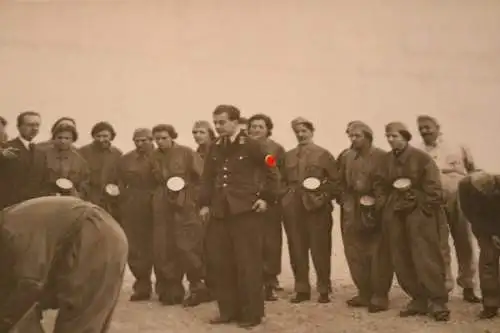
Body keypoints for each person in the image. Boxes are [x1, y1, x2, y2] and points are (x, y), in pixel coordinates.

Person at [199, 105, 280, 328]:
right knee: (221, 263)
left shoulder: (253, 144)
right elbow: (207, 176)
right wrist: (204, 203)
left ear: (235, 122)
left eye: (222, 122)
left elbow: (272, 168)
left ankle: (252, 314)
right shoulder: (215, 145)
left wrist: (266, 198)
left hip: (246, 211)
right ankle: (228, 311)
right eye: (215, 123)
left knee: (248, 263)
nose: (217, 126)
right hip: (220, 212)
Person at [0, 196, 128, 333]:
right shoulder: (9, 223)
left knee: (78, 324)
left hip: (93, 237)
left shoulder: (11, 233)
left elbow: (29, 284)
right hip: (87, 234)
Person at [373, 122, 450, 321]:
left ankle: (437, 301)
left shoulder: (421, 159)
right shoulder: (385, 160)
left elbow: (434, 189)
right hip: (394, 214)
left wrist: (417, 200)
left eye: (395, 136)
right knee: (401, 256)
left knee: (426, 256)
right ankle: (418, 299)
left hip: (419, 214)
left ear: (405, 137)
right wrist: (384, 203)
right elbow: (379, 185)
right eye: (388, 136)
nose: (390, 140)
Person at [416, 115, 480, 303]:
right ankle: (443, 286)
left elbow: (472, 170)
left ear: (437, 127)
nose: (425, 131)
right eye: (421, 128)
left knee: (464, 241)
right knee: (439, 244)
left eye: (428, 127)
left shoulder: (457, 146)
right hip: (434, 200)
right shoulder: (419, 151)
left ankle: (468, 285)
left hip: (458, 197)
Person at [281, 117, 340, 304]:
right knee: (296, 249)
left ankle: (324, 288)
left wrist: (322, 198)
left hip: (317, 208)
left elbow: (335, 182)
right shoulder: (288, 156)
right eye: (297, 131)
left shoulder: (324, 155)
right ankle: (302, 289)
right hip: (293, 208)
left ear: (312, 132)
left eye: (304, 130)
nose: (300, 134)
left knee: (320, 249)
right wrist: (285, 198)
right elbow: (279, 179)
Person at [150, 124, 208, 307]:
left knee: (188, 246)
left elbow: (203, 178)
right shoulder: (154, 157)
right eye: (157, 138)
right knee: (165, 247)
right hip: (163, 206)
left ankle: (197, 287)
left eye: (164, 137)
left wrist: (194, 200)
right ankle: (173, 289)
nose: (160, 141)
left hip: (185, 206)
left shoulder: (186, 153)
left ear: (172, 137)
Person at [337, 121, 393, 312]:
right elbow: (341, 182)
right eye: (350, 136)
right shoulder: (346, 156)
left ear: (368, 136)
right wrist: (344, 200)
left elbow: (387, 184)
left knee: (377, 252)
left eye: (357, 136)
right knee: (354, 251)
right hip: (351, 209)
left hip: (374, 208)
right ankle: (364, 292)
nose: (353, 139)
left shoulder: (382, 156)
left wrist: (378, 205)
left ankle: (380, 295)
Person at [247, 113, 286, 300]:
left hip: (268, 202)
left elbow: (276, 174)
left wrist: (270, 197)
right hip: (247, 201)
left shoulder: (273, 150)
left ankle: (270, 282)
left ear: (267, 129)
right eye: (253, 126)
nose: (255, 130)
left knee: (270, 243)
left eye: (260, 127)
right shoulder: (242, 147)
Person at [117, 128, 156, 301]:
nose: (140, 144)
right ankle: (142, 285)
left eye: (144, 140)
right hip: (133, 205)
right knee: (136, 246)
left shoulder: (160, 156)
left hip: (157, 203)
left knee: (160, 245)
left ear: (151, 140)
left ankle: (166, 285)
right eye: (136, 141)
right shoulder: (126, 159)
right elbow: (118, 181)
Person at [458, 171, 500, 319]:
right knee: (488, 261)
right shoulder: (464, 186)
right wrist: (490, 233)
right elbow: (470, 213)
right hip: (483, 227)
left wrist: (497, 232)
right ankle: (490, 304)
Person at [0, 111, 47, 209]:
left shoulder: (41, 152)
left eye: (37, 125)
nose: (34, 128)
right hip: (8, 207)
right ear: (19, 127)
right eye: (30, 125)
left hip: (33, 207)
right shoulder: (6, 147)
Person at [78, 122, 123, 219]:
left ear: (111, 136)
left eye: (105, 136)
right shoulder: (83, 151)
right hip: (88, 195)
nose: (101, 139)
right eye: (98, 136)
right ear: (93, 136)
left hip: (108, 199)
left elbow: (119, 177)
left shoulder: (117, 154)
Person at [43, 124, 89, 197]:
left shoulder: (79, 160)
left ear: (73, 140)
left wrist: (78, 194)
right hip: (46, 196)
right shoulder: (43, 155)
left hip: (69, 198)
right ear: (54, 138)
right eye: (59, 137)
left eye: (67, 138)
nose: (63, 141)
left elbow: (84, 182)